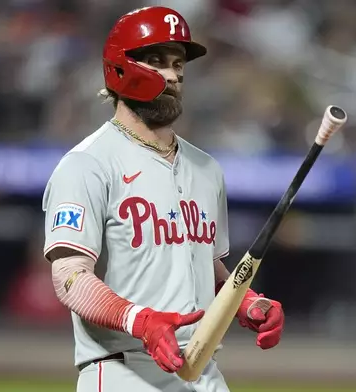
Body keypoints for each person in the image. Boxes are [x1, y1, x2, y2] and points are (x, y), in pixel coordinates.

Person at [42, 6, 285, 392]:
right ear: (120, 68)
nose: (173, 74)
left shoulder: (207, 169)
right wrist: (140, 321)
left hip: (202, 371)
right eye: (156, 61)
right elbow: (69, 276)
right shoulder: (87, 164)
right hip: (125, 370)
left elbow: (206, 268)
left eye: (178, 64)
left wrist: (246, 301)